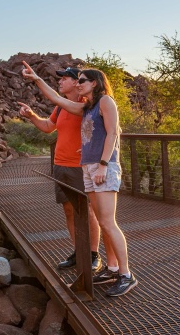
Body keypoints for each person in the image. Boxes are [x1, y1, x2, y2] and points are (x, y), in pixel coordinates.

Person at [22, 62, 136, 296]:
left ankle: (126, 274)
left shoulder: (105, 101)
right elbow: (56, 99)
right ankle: (113, 268)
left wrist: (103, 165)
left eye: (82, 80)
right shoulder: (85, 108)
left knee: (107, 222)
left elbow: (113, 133)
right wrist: (36, 79)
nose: (78, 83)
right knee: (101, 220)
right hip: (88, 168)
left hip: (103, 167)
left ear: (94, 83)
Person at [16, 66, 110, 276]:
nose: (61, 81)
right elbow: (49, 126)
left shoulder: (87, 106)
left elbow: (107, 131)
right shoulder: (60, 108)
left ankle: (93, 255)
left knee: (87, 211)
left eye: (65, 78)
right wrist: (31, 116)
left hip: (81, 167)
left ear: (78, 83)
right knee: (69, 209)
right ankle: (79, 252)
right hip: (61, 164)